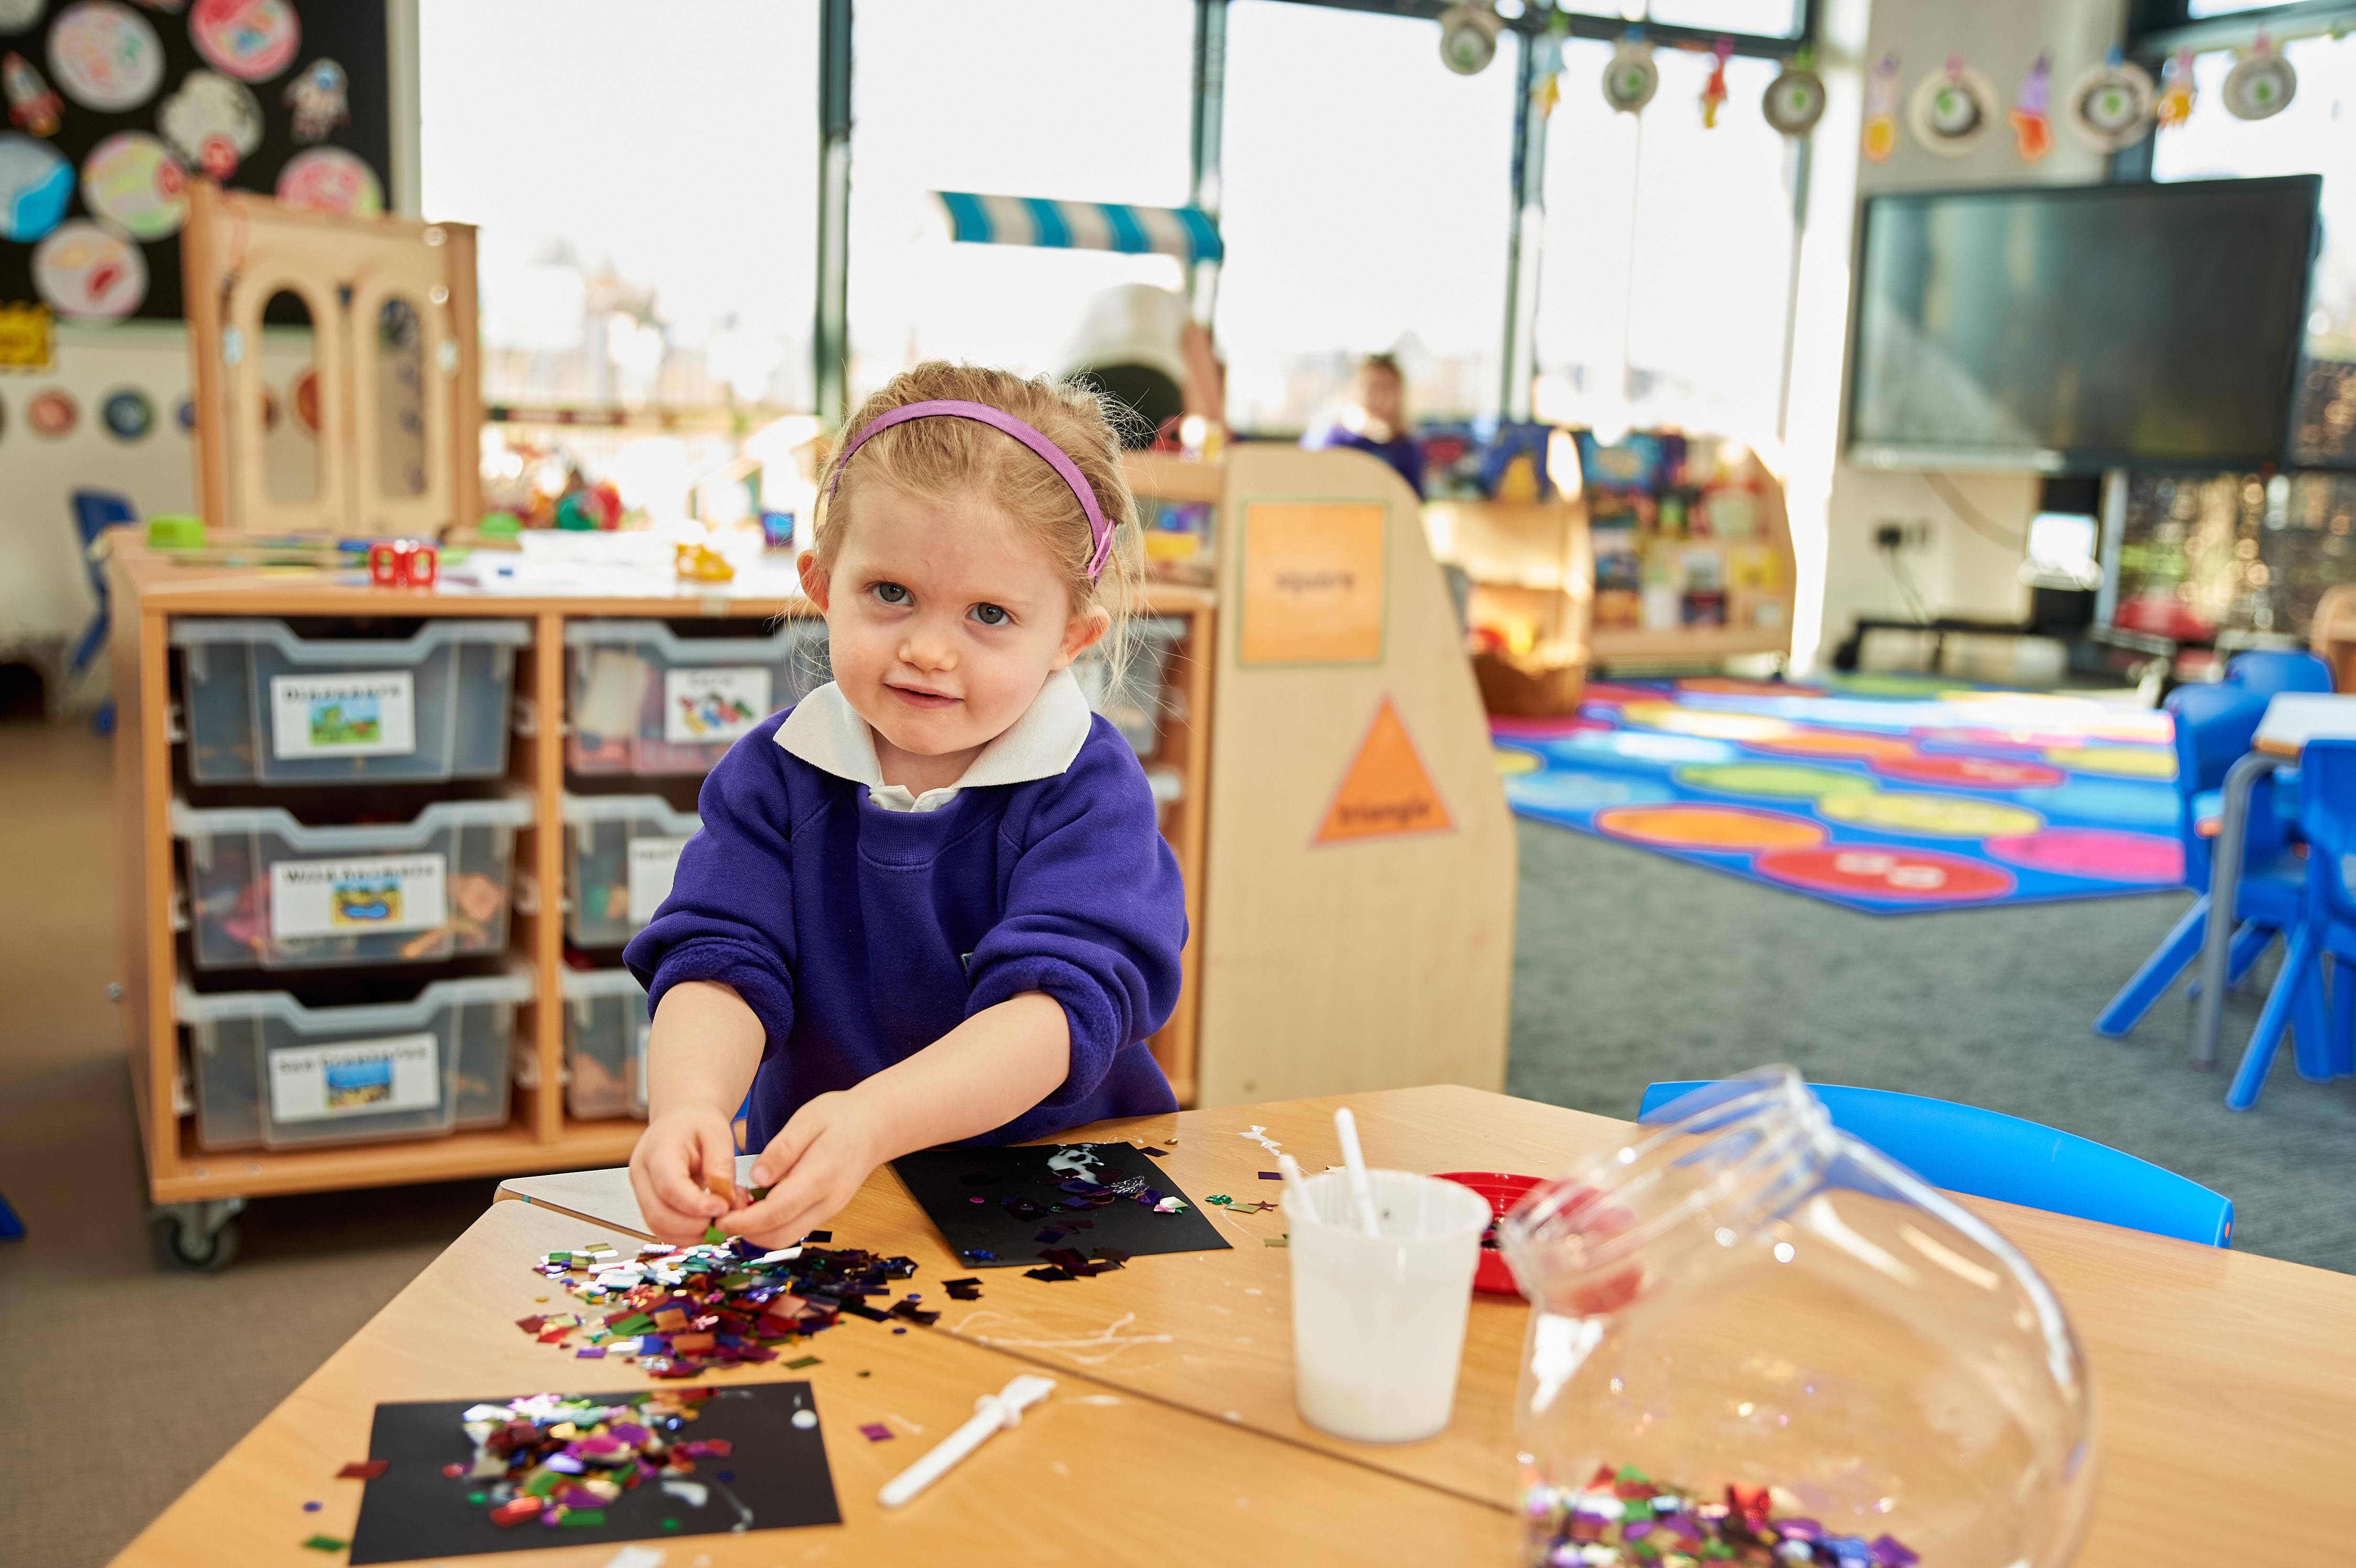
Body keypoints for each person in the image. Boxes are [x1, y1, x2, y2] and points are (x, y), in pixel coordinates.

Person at [623, 362, 1186, 1248]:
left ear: (1069, 638)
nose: (928, 650)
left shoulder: (1090, 792)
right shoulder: (773, 775)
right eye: (891, 594)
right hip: (825, 1198)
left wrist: (876, 1119)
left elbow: (1056, 1012)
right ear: (821, 586)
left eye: (989, 615)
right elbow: (720, 961)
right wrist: (689, 1107)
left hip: (1059, 1192)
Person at [1306, 352, 1423, 493]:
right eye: (1371, 388)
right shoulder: (1335, 438)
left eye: (1386, 388)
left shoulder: (1407, 447)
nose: (1378, 397)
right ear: (1354, 391)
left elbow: (1413, 497)